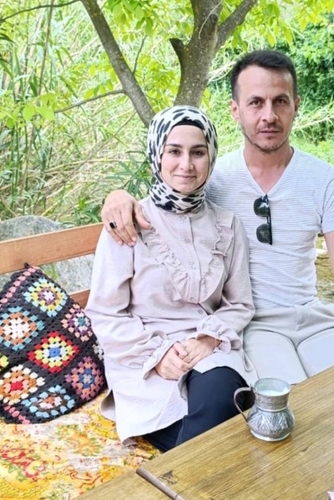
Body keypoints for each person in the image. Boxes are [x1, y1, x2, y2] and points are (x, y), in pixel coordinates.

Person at [100, 50, 334, 385]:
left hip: (316, 318)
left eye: (280, 101)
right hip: (252, 324)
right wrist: (118, 197)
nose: (269, 116)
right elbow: (164, 203)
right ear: (235, 110)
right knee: (292, 400)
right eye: (256, 102)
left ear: (296, 106)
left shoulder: (323, 179)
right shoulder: (212, 180)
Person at [86, 105, 257, 452]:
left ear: (211, 157)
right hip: (144, 357)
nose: (186, 165)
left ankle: (177, 471)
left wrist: (208, 339)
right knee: (224, 428)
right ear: (157, 155)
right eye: (174, 151)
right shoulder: (128, 223)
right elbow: (105, 313)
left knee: (223, 395)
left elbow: (239, 303)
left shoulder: (227, 224)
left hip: (205, 350)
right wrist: (160, 355)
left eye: (198, 152)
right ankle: (191, 467)